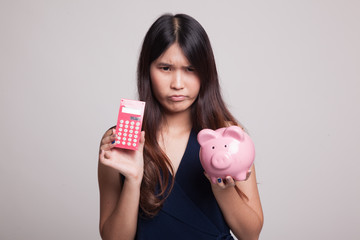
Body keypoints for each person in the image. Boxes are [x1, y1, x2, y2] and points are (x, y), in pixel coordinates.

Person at [98, 13, 263, 240]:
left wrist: (223, 190)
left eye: (190, 69)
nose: (177, 84)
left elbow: (250, 234)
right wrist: (134, 180)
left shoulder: (228, 135)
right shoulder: (120, 139)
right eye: (165, 68)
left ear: (206, 72)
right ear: (147, 70)